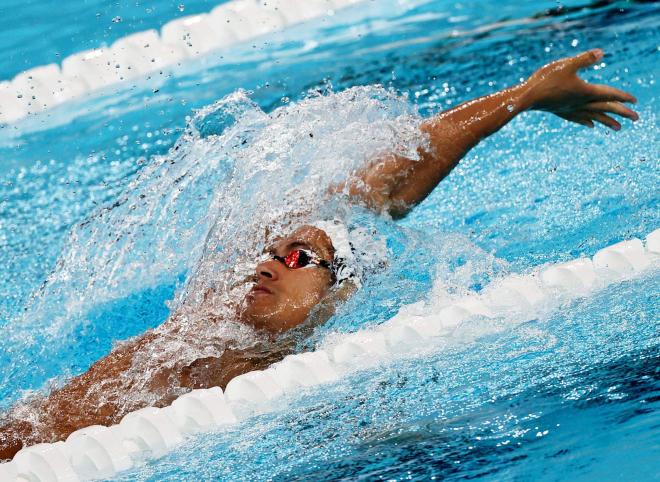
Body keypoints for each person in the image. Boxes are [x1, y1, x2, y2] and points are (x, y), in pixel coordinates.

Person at [0, 49, 638, 460]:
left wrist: (524, 96)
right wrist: (519, 98)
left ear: (341, 293)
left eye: (299, 258)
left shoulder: (283, 381)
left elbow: (392, 189)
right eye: (270, 253)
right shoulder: (212, 309)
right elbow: (389, 176)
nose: (270, 262)